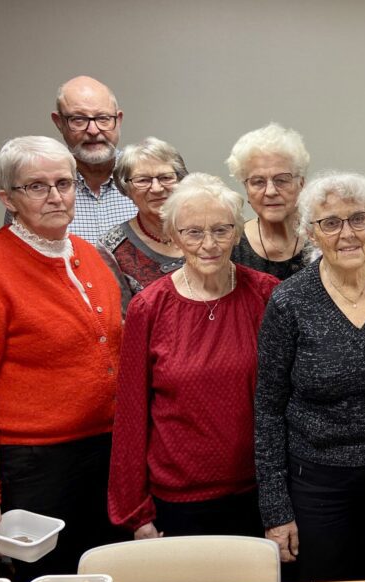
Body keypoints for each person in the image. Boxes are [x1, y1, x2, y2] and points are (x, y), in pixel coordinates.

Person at [0, 136, 125, 582]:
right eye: (37, 187)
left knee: (107, 576)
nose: (56, 196)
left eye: (64, 182)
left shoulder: (88, 256)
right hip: (36, 467)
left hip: (107, 452)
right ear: (8, 199)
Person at [255, 171, 365, 582]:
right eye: (330, 223)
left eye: (358, 219)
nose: (347, 233)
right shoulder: (290, 301)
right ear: (311, 233)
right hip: (317, 486)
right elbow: (267, 410)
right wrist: (277, 510)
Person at [109, 173, 279, 539]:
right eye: (193, 232)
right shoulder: (148, 308)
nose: (209, 245)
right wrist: (135, 513)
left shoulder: (267, 296)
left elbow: (287, 404)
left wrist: (282, 503)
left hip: (260, 496)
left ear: (237, 232)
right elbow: (131, 415)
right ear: (172, 236)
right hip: (178, 503)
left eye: (221, 230)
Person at [97, 137, 187, 314]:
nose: (156, 188)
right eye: (143, 180)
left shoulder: (208, 228)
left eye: (165, 177)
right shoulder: (112, 247)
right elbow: (121, 319)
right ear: (126, 189)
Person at [50, 76, 137, 242]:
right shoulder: (36, 190)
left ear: (118, 120)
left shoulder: (153, 183)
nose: (93, 130)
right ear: (59, 122)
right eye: (79, 119)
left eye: (103, 118)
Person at [226, 123, 311, 280]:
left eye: (282, 180)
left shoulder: (323, 239)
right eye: (258, 182)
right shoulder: (231, 246)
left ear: (301, 184)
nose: (271, 191)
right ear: (246, 188)